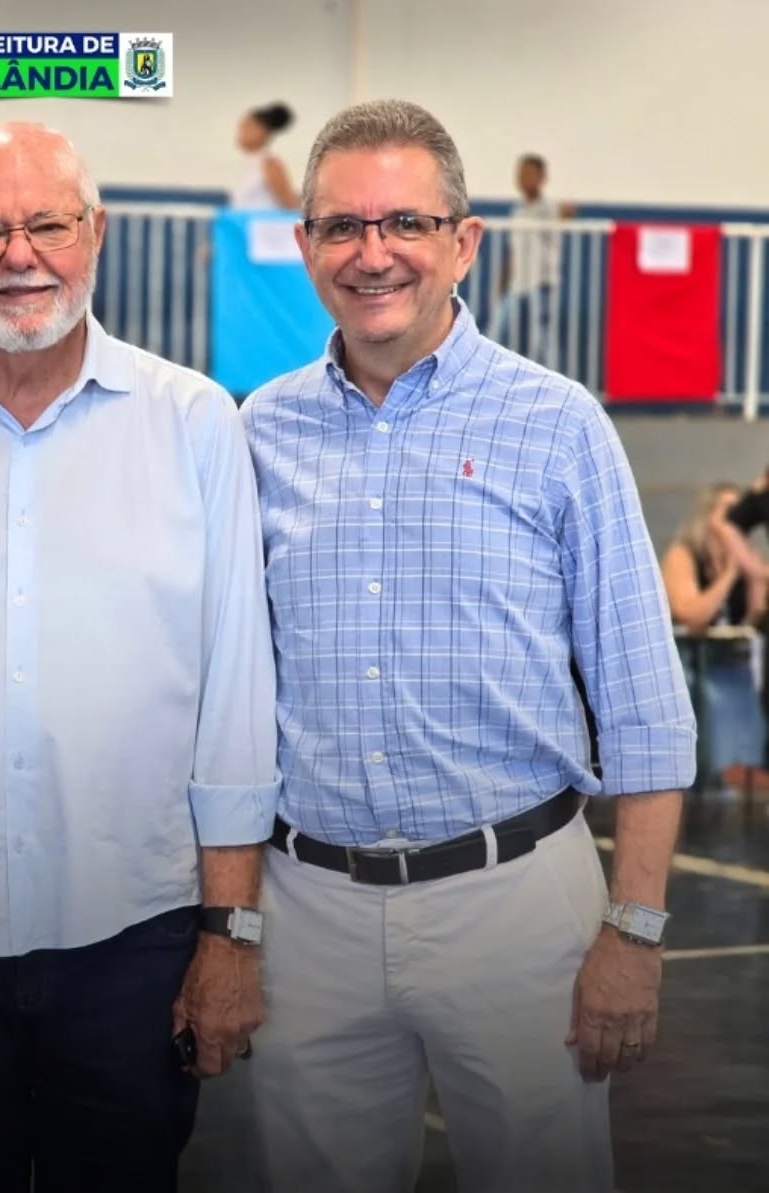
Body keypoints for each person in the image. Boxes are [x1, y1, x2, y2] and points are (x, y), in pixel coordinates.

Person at [0, 121, 278, 1193]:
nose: (19, 256)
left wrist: (229, 931)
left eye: (47, 226)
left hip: (136, 932)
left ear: (95, 233)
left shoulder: (195, 423)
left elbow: (234, 692)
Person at [241, 99, 693, 1193]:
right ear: (305, 245)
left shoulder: (559, 425)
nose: (373, 252)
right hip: (308, 912)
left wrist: (633, 929)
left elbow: (643, 701)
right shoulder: (256, 432)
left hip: (516, 907)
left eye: (405, 221)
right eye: (342, 226)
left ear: (464, 241)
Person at [661, 483, 767, 788]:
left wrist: (752, 577)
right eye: (729, 511)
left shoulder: (746, 556)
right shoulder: (683, 555)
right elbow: (692, 616)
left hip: (730, 662)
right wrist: (729, 575)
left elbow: (752, 620)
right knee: (711, 696)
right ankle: (704, 778)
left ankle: (738, 776)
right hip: (690, 661)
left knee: (751, 691)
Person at [489, 153, 572, 365]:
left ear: (542, 178)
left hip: (541, 285)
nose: (524, 178)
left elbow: (566, 214)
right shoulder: (517, 211)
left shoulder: (549, 209)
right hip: (517, 285)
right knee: (496, 332)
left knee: (542, 341)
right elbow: (513, 250)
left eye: (530, 173)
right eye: (521, 173)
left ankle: (554, 379)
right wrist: (503, 281)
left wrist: (566, 213)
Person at [230, 101, 299, 210]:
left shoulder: (269, 164)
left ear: (261, 130)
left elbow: (291, 204)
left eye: (245, 126)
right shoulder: (249, 164)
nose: (240, 132)